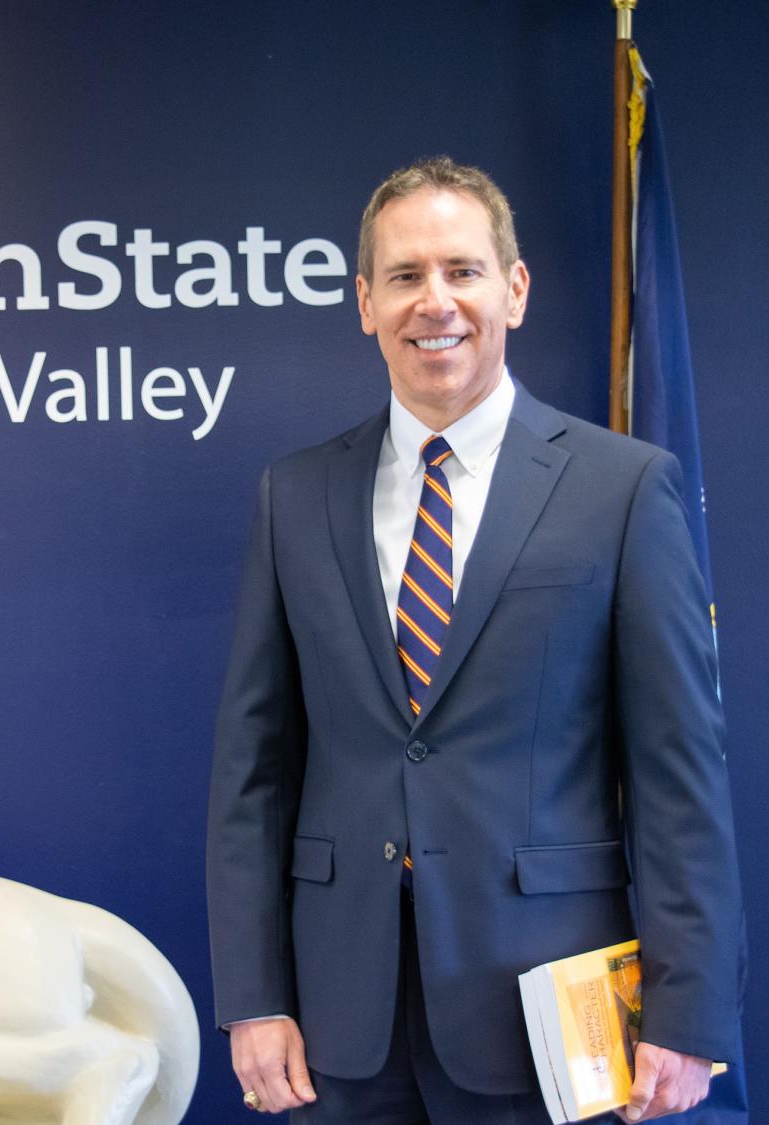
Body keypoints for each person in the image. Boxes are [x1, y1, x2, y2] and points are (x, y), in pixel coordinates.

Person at [206, 156, 741, 1123]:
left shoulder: (622, 488)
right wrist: (253, 995)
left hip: (548, 1010)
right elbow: (255, 771)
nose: (434, 302)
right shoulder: (297, 494)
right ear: (366, 301)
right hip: (340, 1025)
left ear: (515, 289)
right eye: (405, 277)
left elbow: (678, 776)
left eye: (463, 270)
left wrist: (691, 1007)